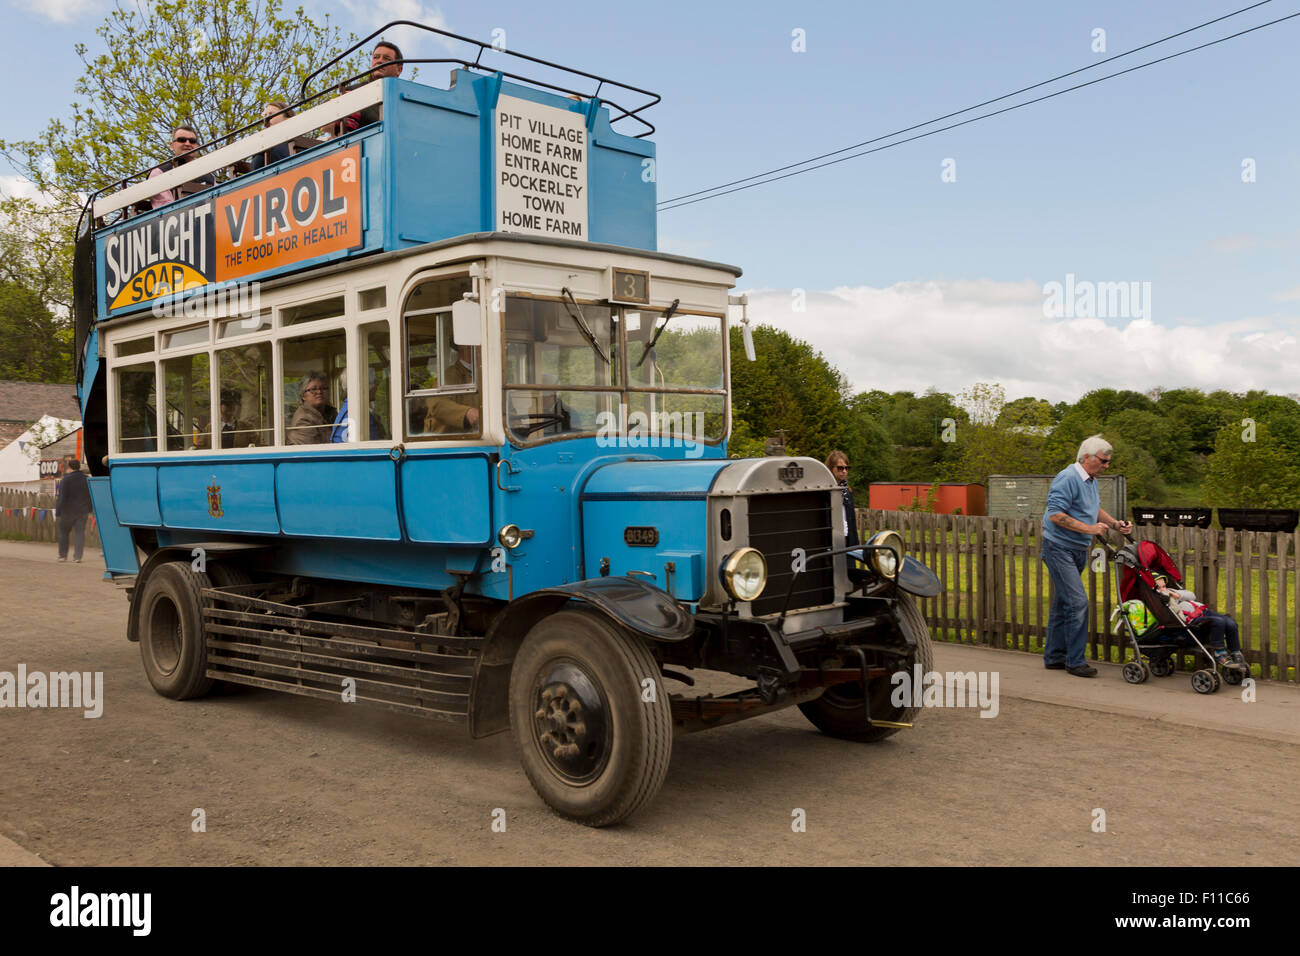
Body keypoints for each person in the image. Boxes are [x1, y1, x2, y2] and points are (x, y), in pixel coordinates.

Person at [1040, 434, 1133, 677]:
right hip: (1059, 547)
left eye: (1108, 462)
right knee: (1078, 602)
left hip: (1077, 548)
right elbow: (1055, 515)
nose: (1107, 466)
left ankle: (1054, 657)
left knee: (1063, 604)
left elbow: (1093, 509)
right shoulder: (1068, 478)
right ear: (1087, 457)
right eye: (1103, 461)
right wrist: (1090, 529)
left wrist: (1114, 524)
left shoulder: (1090, 480)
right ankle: (1075, 661)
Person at [1153, 575, 1248, 672]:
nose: (1163, 589)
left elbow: (1192, 595)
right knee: (1219, 622)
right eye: (1159, 587)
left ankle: (1235, 652)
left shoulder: (1171, 591)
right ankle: (1219, 652)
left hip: (1203, 612)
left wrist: (1175, 594)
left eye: (1164, 586)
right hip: (1192, 619)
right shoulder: (1159, 600)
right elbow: (1175, 613)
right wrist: (1166, 597)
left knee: (1231, 623)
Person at [333, 41, 403, 137]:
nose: (380, 61)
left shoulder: (405, 99)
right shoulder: (354, 91)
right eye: (376, 57)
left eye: (386, 58)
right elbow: (346, 139)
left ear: (399, 70)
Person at [147, 125, 215, 208]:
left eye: (192, 141)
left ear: (197, 146)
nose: (187, 143)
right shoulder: (160, 173)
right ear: (172, 145)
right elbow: (167, 210)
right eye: (182, 140)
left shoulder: (209, 176)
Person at [825, 450, 866, 583]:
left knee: (848, 577)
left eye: (846, 468)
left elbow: (851, 519)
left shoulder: (847, 491)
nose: (844, 471)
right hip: (831, 541)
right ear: (831, 468)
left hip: (847, 539)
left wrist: (854, 544)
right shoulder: (824, 490)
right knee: (832, 579)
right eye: (840, 468)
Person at [423, 345, 480, 434]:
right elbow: (437, 404)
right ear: (462, 347)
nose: (480, 347)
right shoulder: (448, 375)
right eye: (476, 344)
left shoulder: (484, 374)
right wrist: (468, 413)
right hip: (445, 441)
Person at [56, 459, 93, 563]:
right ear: (78, 467)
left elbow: (62, 496)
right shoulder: (87, 479)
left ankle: (63, 556)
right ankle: (77, 557)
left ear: (69, 467)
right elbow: (90, 496)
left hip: (68, 511)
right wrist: (89, 509)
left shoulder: (66, 479)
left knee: (64, 533)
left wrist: (58, 511)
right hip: (82, 511)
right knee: (79, 534)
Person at [288, 372, 338, 445]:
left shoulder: (330, 413)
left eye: (323, 388)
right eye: (313, 389)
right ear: (303, 396)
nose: (319, 392)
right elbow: (313, 451)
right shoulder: (303, 419)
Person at [249, 102, 295, 170]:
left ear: (287, 118)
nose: (267, 118)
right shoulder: (262, 145)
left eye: (271, 114)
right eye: (265, 116)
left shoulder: (297, 141)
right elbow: (256, 165)